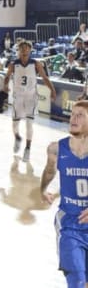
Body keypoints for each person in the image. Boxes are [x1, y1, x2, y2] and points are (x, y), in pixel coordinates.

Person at [40, 100, 88, 288]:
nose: (73, 119)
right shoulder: (56, 149)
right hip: (70, 225)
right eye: (72, 114)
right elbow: (50, 172)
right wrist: (43, 190)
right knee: (79, 284)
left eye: (80, 115)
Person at [3, 41, 56, 163]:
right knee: (15, 124)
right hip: (18, 96)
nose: (24, 51)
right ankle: (17, 138)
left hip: (31, 97)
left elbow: (45, 78)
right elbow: (7, 76)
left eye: (26, 48)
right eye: (22, 49)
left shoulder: (36, 63)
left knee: (29, 124)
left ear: (30, 50)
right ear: (18, 50)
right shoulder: (13, 64)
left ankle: (27, 149)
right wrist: (5, 85)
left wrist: (52, 90)